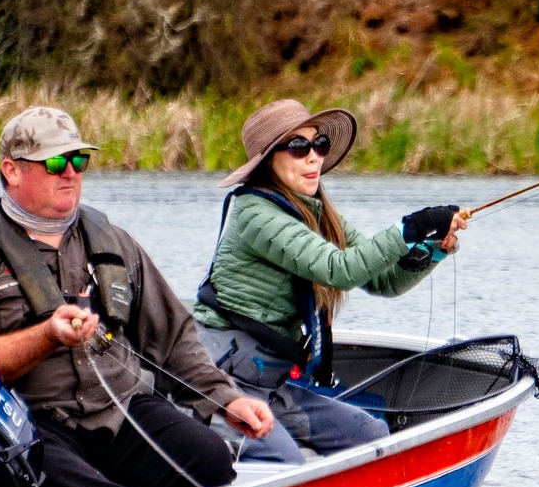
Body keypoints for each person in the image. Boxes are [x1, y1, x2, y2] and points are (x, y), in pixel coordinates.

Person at [0, 106, 277, 487]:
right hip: (29, 424)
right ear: (12, 171)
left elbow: (173, 337)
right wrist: (46, 336)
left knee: (210, 459)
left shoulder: (113, 242)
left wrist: (226, 400)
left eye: (79, 160)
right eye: (55, 162)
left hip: (119, 411)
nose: (70, 172)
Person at [194, 99, 467, 463]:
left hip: (271, 386)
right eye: (298, 146)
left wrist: (430, 250)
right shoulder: (255, 215)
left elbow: (383, 280)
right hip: (222, 384)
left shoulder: (316, 212)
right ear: (267, 162)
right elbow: (339, 269)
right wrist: (409, 228)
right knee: (285, 464)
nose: (314, 157)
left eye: (318, 144)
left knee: (371, 436)